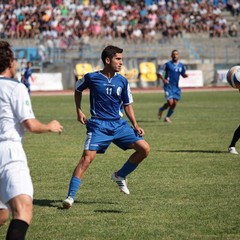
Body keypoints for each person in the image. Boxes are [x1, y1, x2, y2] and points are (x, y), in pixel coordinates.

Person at [62, 45, 150, 209]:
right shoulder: (91, 77)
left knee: (144, 148)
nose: (121, 62)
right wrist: (79, 110)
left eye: (122, 59)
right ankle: (70, 198)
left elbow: (127, 104)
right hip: (98, 125)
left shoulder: (122, 81)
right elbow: (77, 89)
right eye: (118, 59)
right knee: (86, 159)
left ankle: (120, 175)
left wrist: (135, 124)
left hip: (119, 125)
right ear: (107, 60)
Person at [0, 40, 63, 240]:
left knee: (2, 214)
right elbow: (30, 125)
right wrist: (50, 126)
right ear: (10, 62)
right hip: (8, 151)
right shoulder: (15, 87)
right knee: (24, 209)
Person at [157, 49, 189, 123]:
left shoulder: (181, 65)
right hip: (168, 86)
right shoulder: (167, 64)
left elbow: (183, 74)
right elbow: (159, 73)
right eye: (174, 54)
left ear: (178, 56)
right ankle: (161, 110)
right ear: (171, 56)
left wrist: (185, 75)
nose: (175, 55)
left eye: (176, 54)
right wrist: (163, 79)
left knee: (174, 104)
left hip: (176, 87)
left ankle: (167, 117)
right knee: (170, 102)